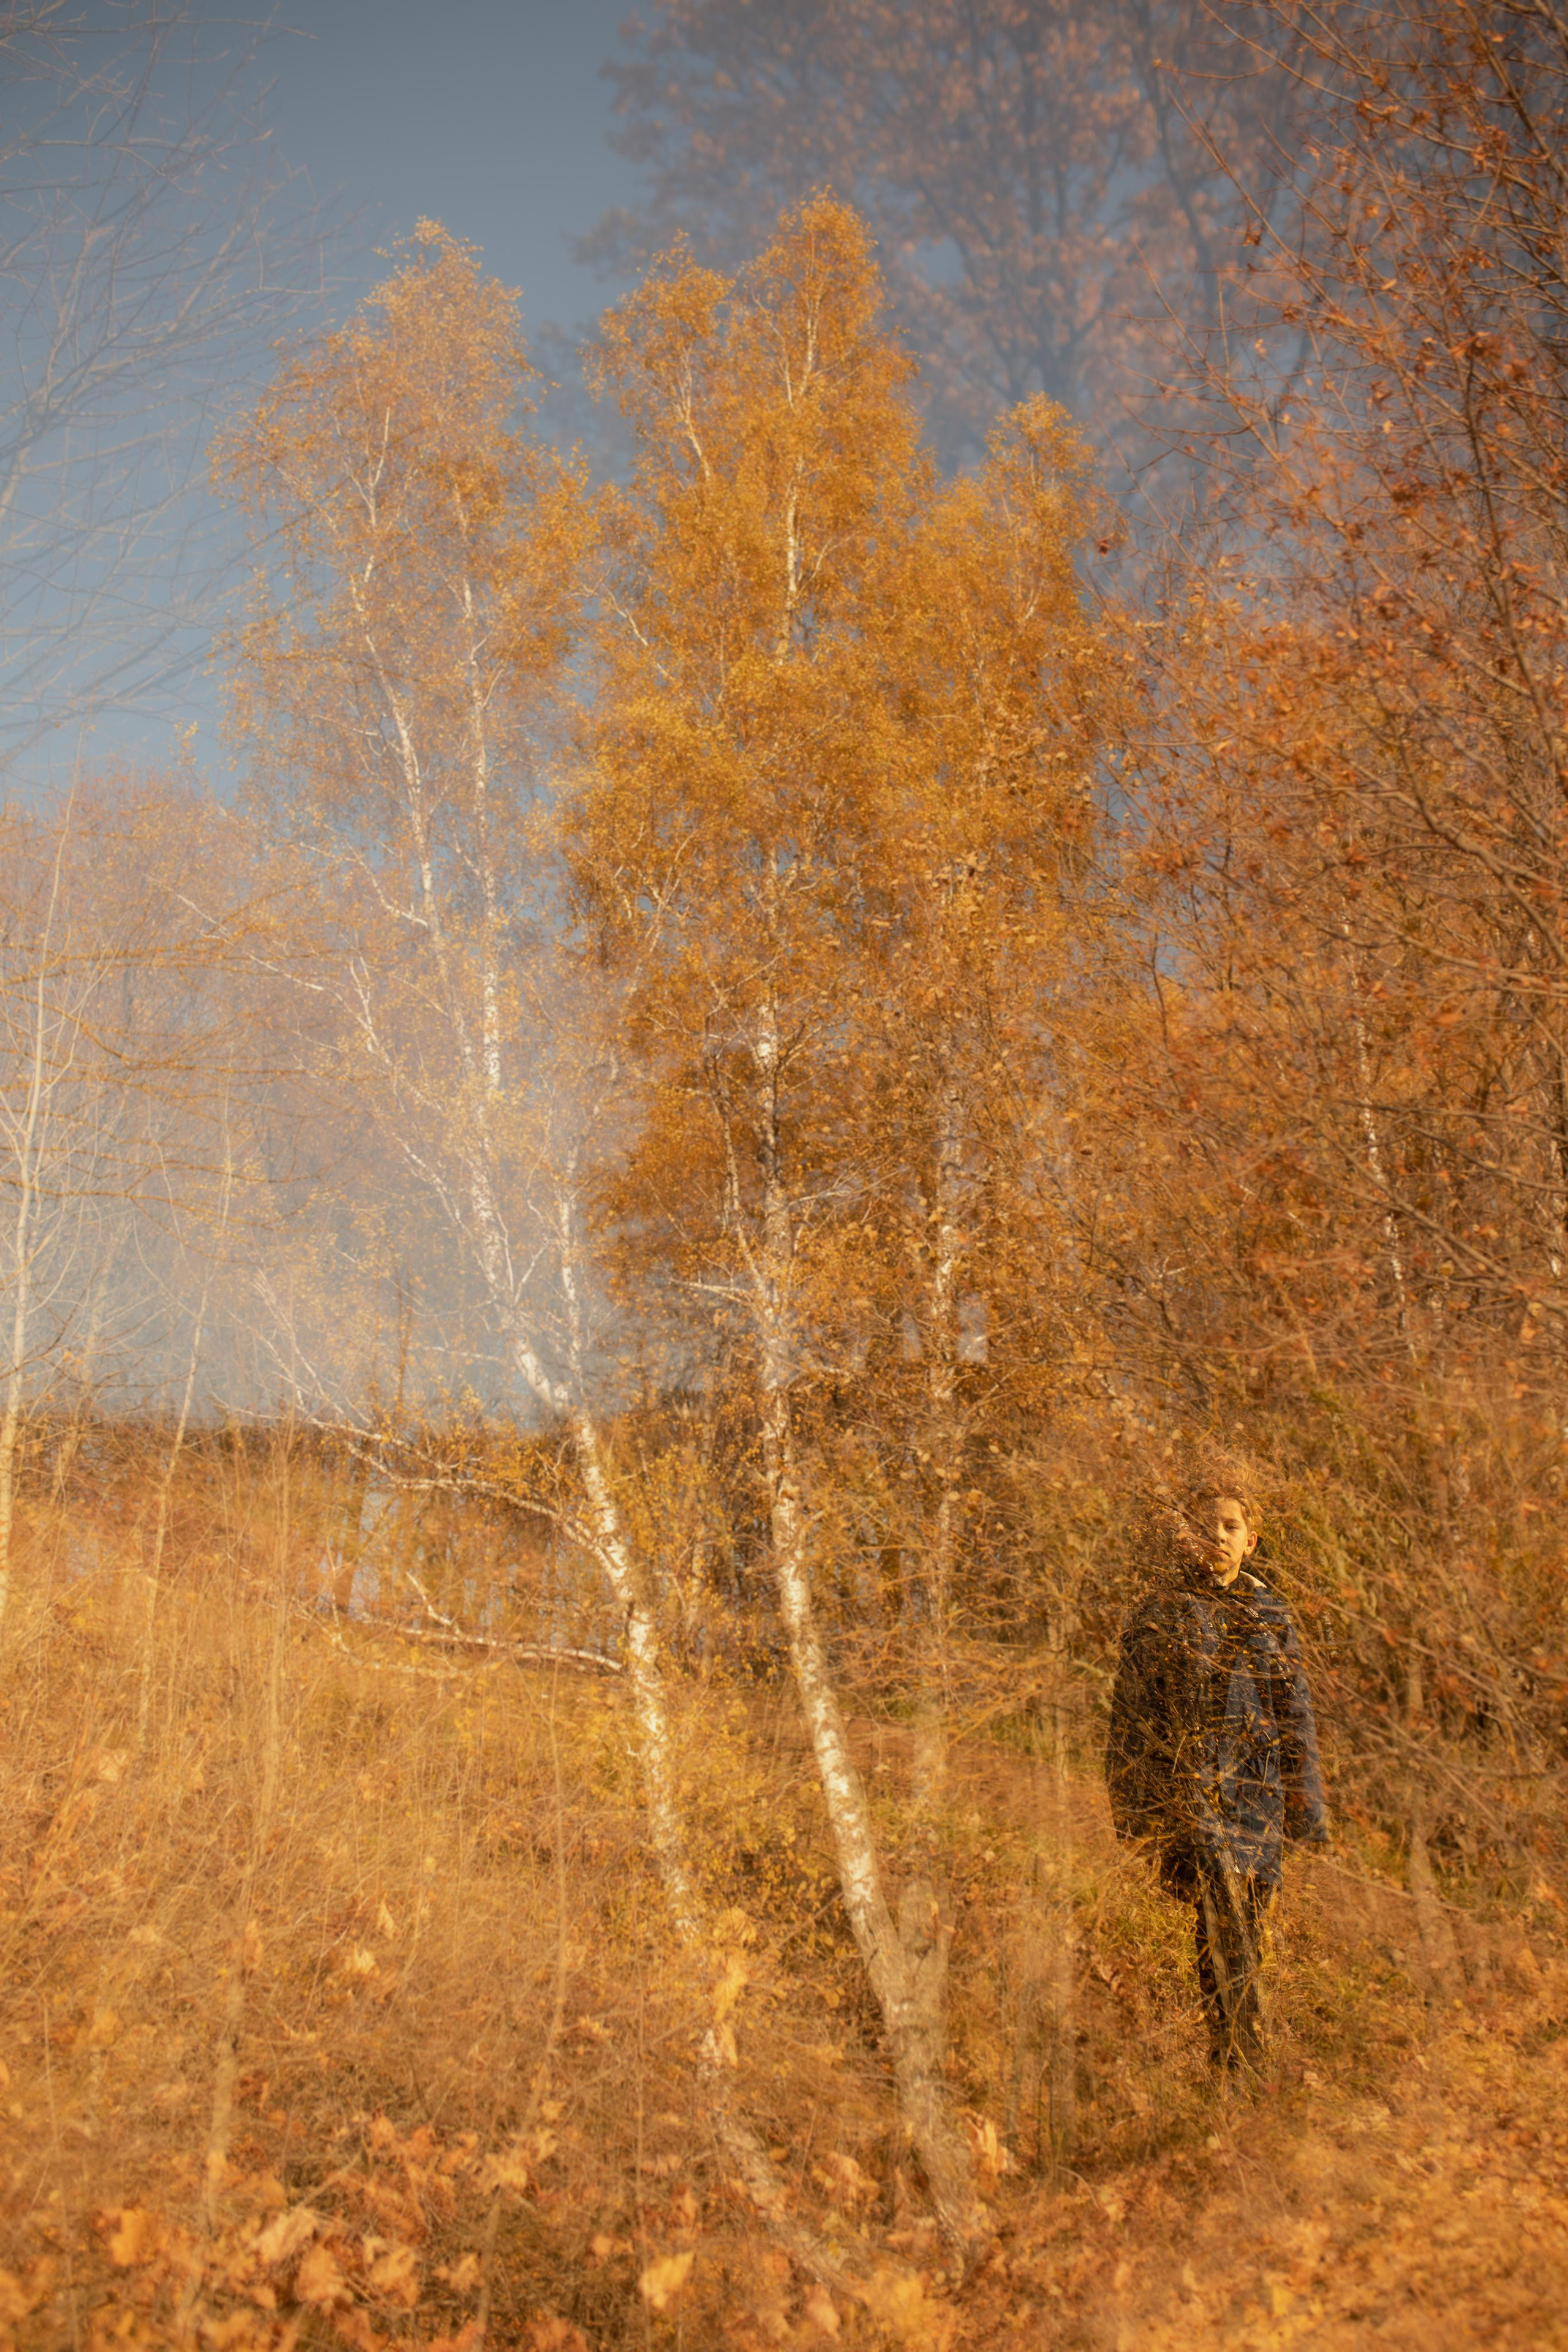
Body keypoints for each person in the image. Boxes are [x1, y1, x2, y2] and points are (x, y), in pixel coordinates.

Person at [1106, 1449, 1329, 2073]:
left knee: (1245, 1933)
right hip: (1193, 1798)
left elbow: (1295, 1715)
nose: (1219, 1538)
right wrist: (1133, 1807)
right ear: (1188, 1535)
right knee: (1219, 1928)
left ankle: (1230, 2060)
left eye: (1232, 1527)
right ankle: (1243, 2066)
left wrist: (1303, 1804)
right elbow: (1130, 1717)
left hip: (1257, 1799)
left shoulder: (1269, 1614)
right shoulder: (1162, 1612)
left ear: (1251, 1540)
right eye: (1208, 1526)